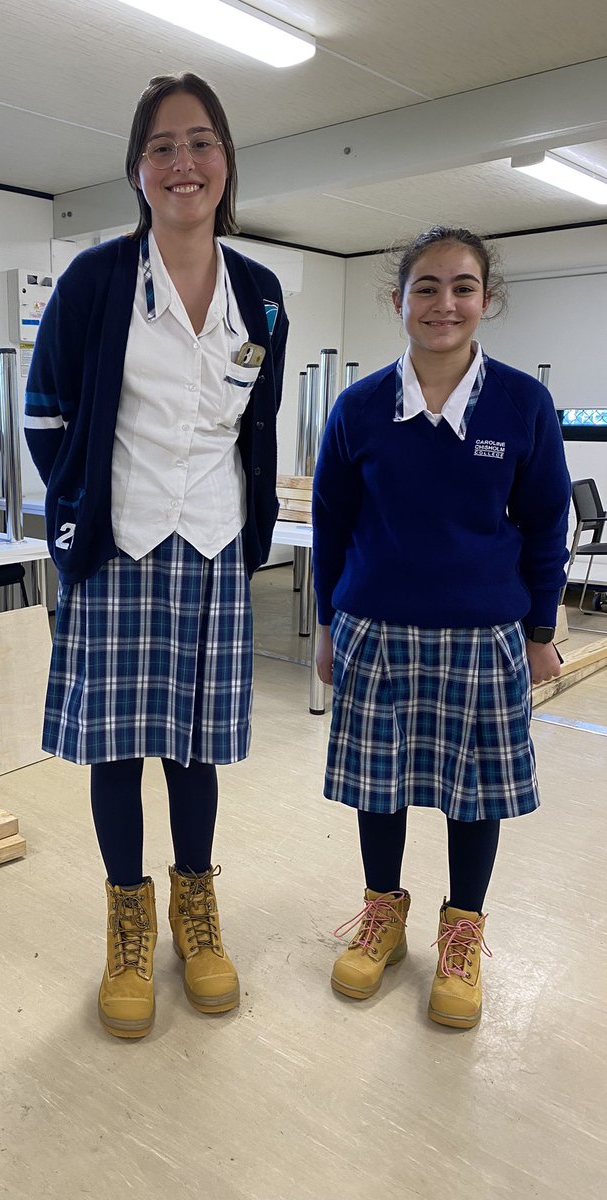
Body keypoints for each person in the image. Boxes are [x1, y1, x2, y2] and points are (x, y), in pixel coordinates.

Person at [24, 72, 289, 1039]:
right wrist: (85, 506)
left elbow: (252, 426)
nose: (186, 163)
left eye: (203, 142)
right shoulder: (97, 281)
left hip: (214, 543)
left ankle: (196, 909)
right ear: (138, 169)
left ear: (226, 162)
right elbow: (46, 415)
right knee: (116, 745)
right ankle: (128, 917)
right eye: (165, 146)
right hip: (118, 544)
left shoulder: (260, 295)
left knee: (195, 745)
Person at [312, 226, 570, 1029]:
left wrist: (537, 629)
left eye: (462, 287)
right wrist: (325, 623)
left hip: (483, 633)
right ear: (399, 302)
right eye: (425, 287)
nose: (444, 303)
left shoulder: (521, 404)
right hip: (374, 627)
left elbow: (542, 522)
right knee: (377, 783)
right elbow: (330, 521)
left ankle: (462, 931)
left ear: (485, 300)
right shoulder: (358, 409)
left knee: (474, 794)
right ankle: (382, 915)